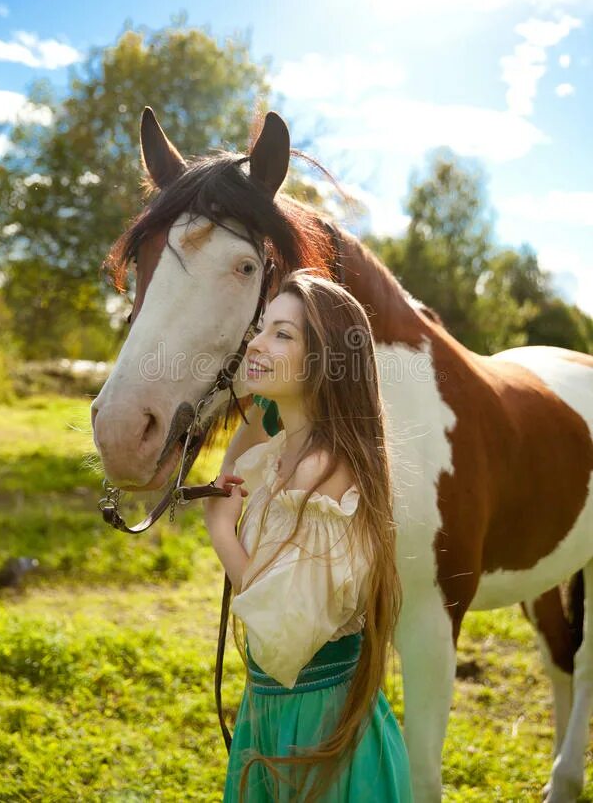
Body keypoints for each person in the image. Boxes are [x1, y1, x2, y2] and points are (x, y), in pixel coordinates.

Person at [203, 268, 413, 803]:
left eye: (283, 333)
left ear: (323, 364)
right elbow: (233, 466)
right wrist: (252, 384)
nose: (258, 341)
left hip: (312, 721)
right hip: (274, 707)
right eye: (261, 326)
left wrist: (220, 530)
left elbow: (283, 626)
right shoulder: (283, 452)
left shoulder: (321, 469)